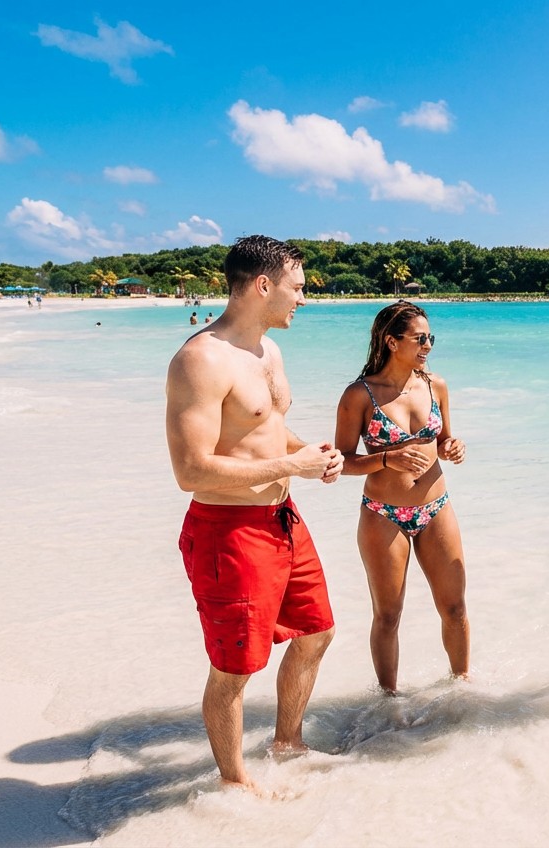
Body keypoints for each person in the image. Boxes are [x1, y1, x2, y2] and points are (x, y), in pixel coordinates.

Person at [165, 235, 342, 792]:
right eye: (298, 288)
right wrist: (291, 463)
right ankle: (234, 786)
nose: (304, 300)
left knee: (317, 632)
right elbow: (191, 470)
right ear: (263, 286)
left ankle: (287, 741)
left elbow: (261, 433)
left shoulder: (270, 350)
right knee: (235, 669)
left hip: (282, 518)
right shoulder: (199, 360)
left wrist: (309, 454)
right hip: (228, 532)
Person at [335, 301, 469, 693]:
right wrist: (386, 458)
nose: (428, 345)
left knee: (455, 608)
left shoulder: (435, 385)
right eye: (420, 338)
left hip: (436, 507)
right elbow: (342, 461)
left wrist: (452, 448)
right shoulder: (359, 395)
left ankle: (462, 692)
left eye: (431, 338)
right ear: (392, 342)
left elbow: (442, 441)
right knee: (389, 615)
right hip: (383, 513)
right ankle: (388, 700)